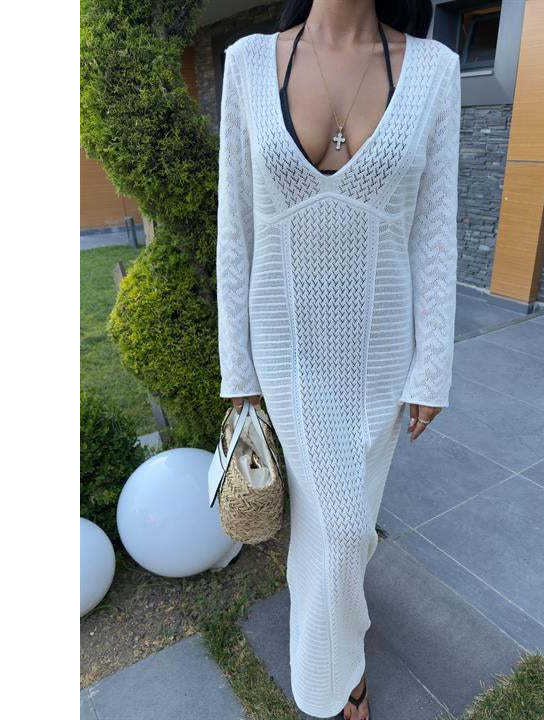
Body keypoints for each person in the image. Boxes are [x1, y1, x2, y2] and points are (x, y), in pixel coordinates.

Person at [215, 1, 459, 717]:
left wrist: (432, 366)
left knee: (335, 527)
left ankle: (337, 650)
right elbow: (235, 228)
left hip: (381, 351)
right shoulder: (248, 64)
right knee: (346, 526)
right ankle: (333, 677)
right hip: (286, 344)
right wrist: (239, 371)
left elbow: (434, 233)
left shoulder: (435, 70)